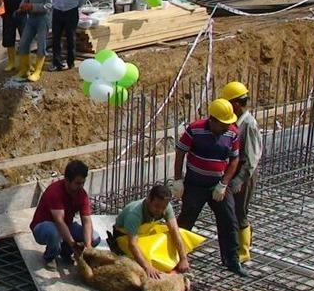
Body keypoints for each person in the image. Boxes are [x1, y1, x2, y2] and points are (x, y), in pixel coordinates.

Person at [172, 98, 248, 277]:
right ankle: (176, 258)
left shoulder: (232, 132)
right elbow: (180, 151)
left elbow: (234, 159)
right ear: (212, 120)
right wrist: (178, 179)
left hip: (217, 184)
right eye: (223, 124)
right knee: (185, 222)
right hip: (195, 184)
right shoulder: (195, 129)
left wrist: (223, 184)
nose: (226, 127)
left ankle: (232, 260)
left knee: (229, 220)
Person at [220, 81, 262, 263]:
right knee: (232, 211)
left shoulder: (249, 125)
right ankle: (236, 247)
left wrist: (239, 180)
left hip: (244, 176)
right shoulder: (235, 123)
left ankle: (244, 252)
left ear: (236, 103)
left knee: (240, 211)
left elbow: (252, 158)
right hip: (234, 173)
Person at [29, 160, 100, 266]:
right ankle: (50, 256)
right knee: (54, 232)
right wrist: (73, 245)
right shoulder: (55, 192)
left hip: (65, 226)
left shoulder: (82, 195)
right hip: (43, 227)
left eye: (83, 183)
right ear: (67, 180)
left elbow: (87, 221)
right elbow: (59, 221)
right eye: (77, 183)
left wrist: (88, 246)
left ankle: (65, 252)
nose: (81, 186)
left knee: (95, 238)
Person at [112, 183, 190, 278]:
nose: (160, 210)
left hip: (145, 233)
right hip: (125, 237)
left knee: (181, 233)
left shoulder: (165, 206)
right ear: (149, 199)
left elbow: (174, 230)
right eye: (156, 206)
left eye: (163, 207)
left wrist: (183, 258)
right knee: (148, 256)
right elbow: (132, 244)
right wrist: (147, 266)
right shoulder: (134, 214)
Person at [14, 0, 52, 82]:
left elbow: (49, 5)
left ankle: (37, 71)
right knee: (23, 43)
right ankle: (24, 70)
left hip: (43, 19)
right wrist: (21, 8)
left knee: (41, 45)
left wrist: (32, 6)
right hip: (31, 18)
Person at [50, 0, 87, 71]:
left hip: (70, 12)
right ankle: (57, 62)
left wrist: (76, 6)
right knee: (56, 38)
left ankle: (70, 62)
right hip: (58, 12)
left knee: (70, 38)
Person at [2, 0, 27, 72]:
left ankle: (25, 62)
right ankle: (11, 62)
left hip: (22, 13)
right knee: (9, 38)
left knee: (25, 38)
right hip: (8, 13)